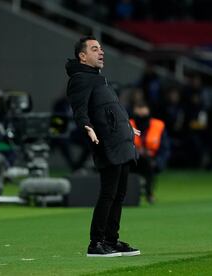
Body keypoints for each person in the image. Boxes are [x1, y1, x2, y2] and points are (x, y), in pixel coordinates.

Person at [66, 36, 141, 257]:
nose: (101, 52)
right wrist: (86, 126)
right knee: (108, 193)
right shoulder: (80, 78)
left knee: (119, 194)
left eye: (101, 49)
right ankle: (95, 243)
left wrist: (127, 126)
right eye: (95, 49)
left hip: (120, 140)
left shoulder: (98, 78)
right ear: (82, 56)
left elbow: (110, 108)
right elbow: (79, 110)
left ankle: (111, 240)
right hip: (106, 142)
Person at [129, 102, 170, 204]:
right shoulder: (127, 124)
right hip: (131, 157)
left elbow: (165, 148)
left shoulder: (158, 125)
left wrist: (159, 162)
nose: (141, 111)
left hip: (151, 159)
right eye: (138, 107)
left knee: (149, 164)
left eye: (143, 107)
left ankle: (149, 192)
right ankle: (131, 193)